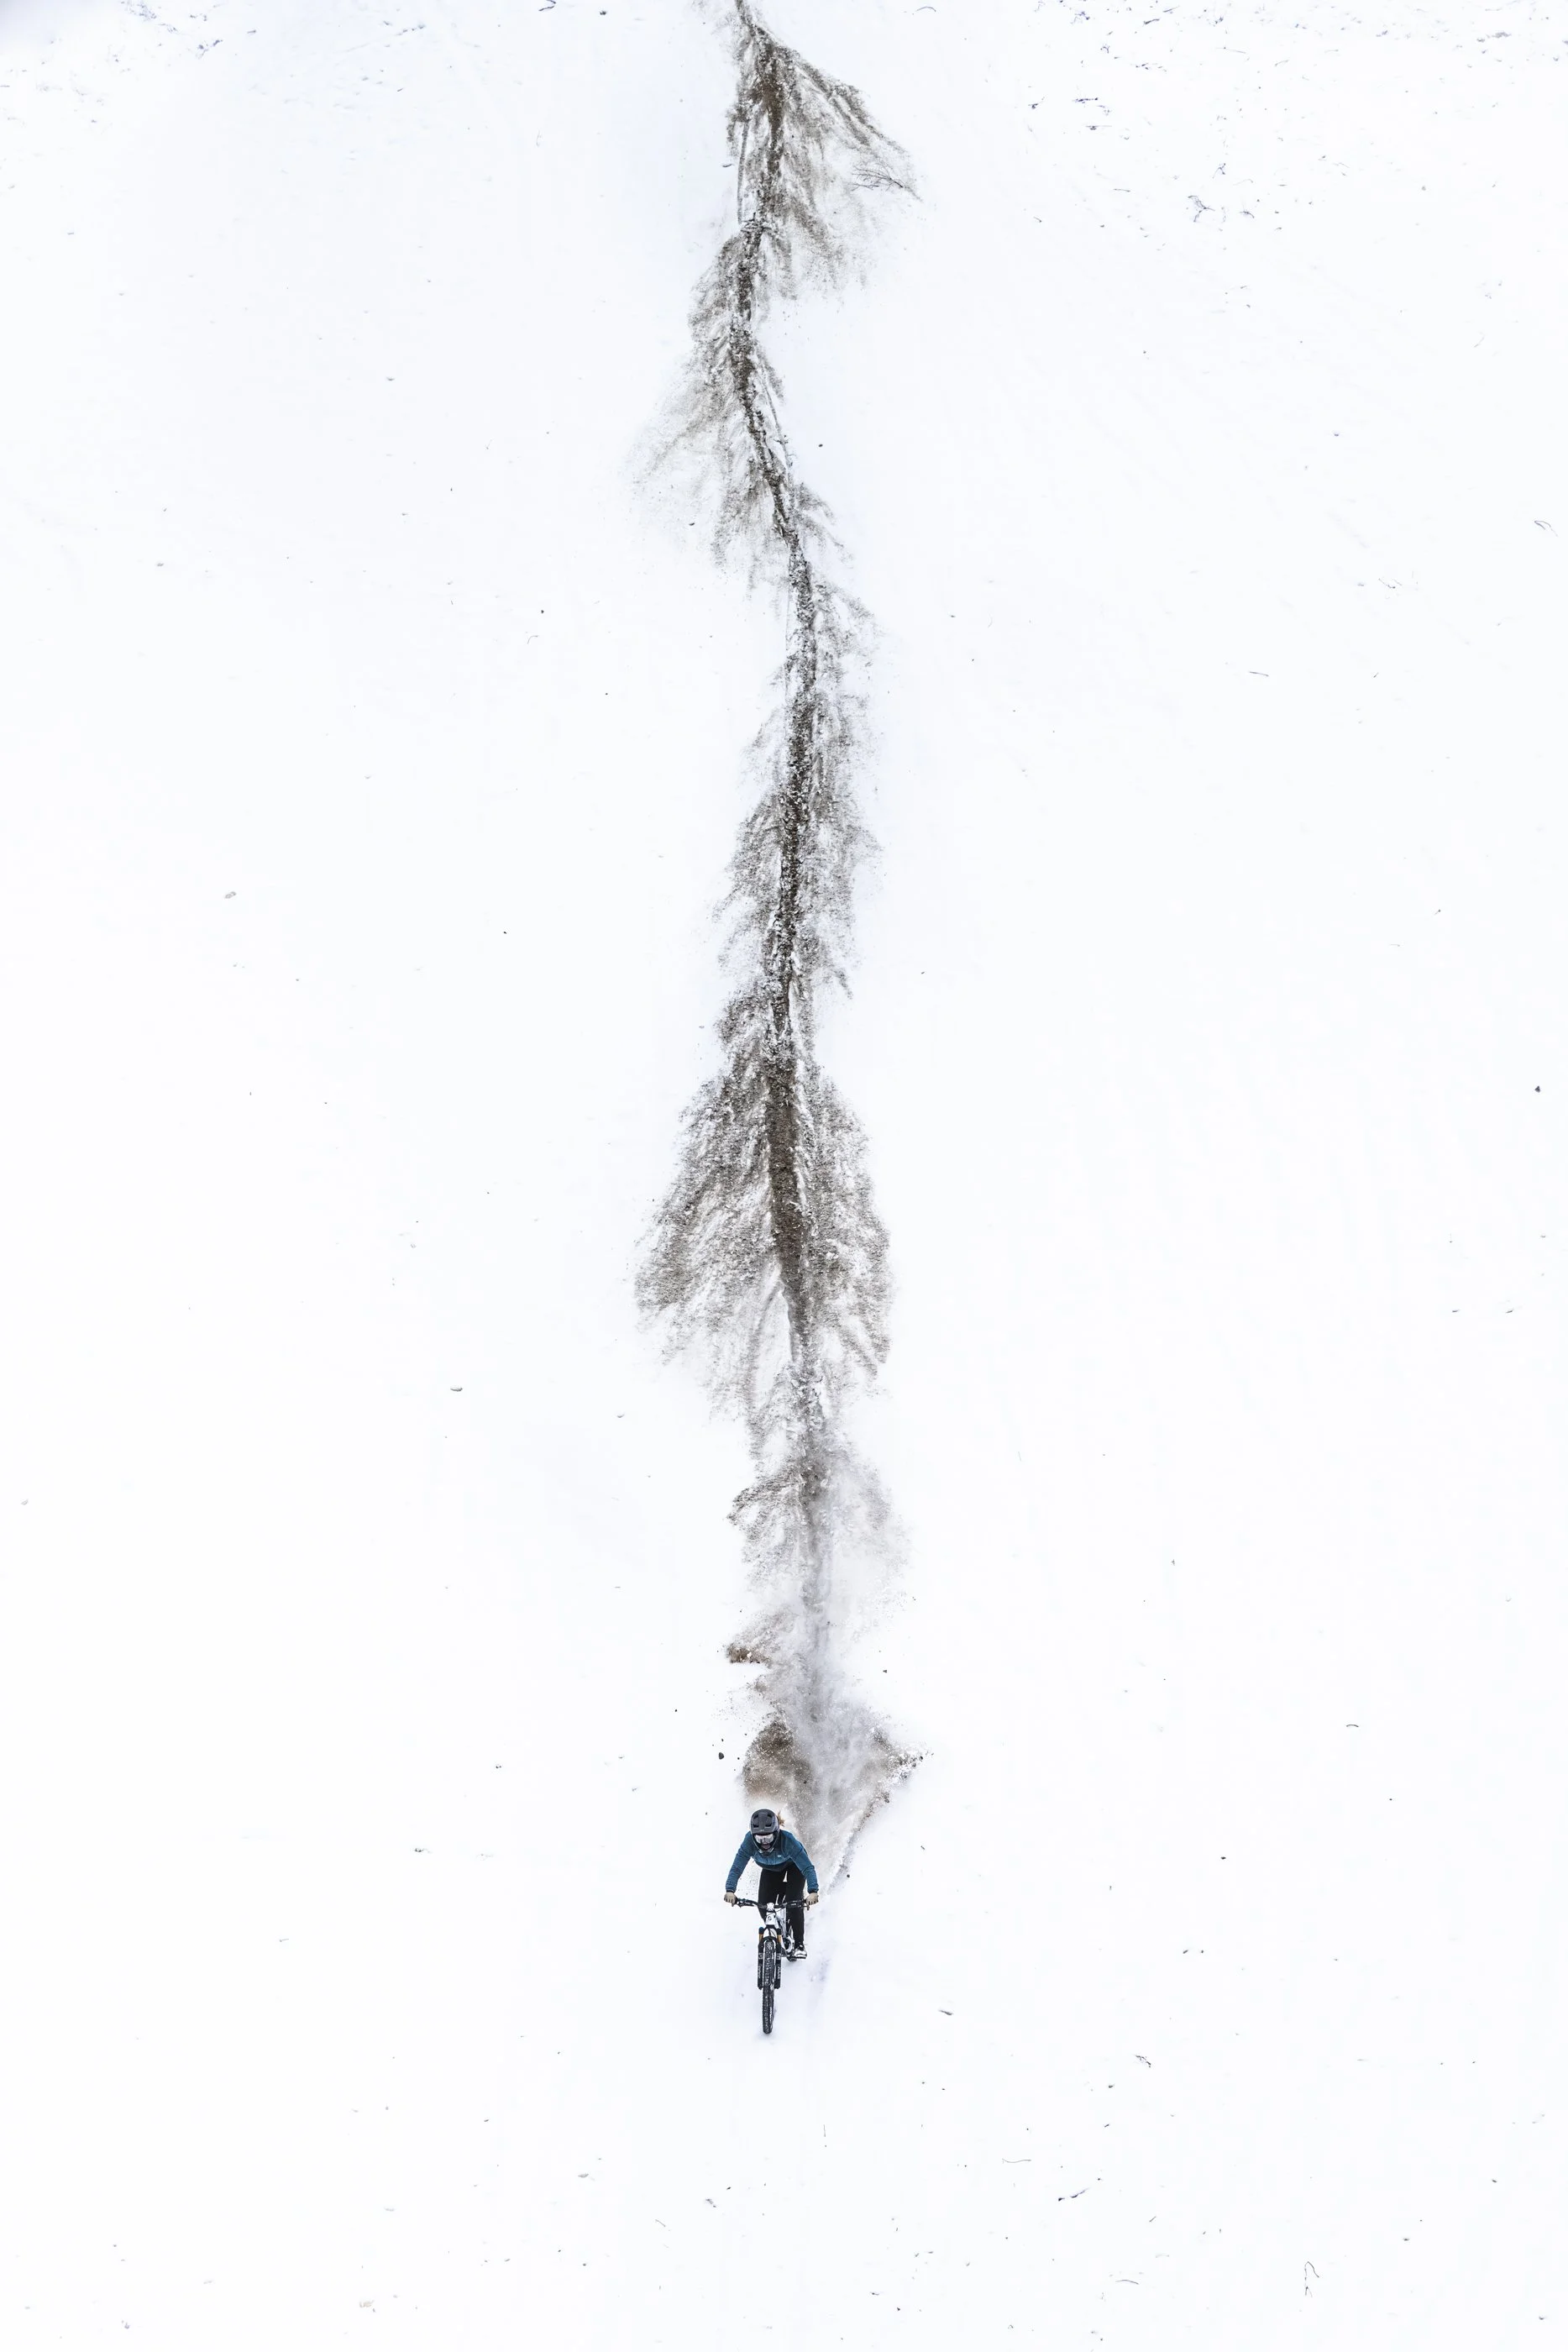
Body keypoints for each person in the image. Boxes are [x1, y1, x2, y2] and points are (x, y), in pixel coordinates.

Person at [723, 1806, 819, 1958]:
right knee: (763, 1905)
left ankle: (799, 1944)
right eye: (760, 1839)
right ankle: (776, 1930)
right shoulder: (748, 1842)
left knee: (794, 1901)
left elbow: (807, 1867)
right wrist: (730, 1890)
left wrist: (813, 1891)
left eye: (768, 1838)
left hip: (794, 1866)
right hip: (770, 1870)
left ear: (777, 1833)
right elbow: (737, 1867)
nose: (764, 1843)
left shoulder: (788, 1841)